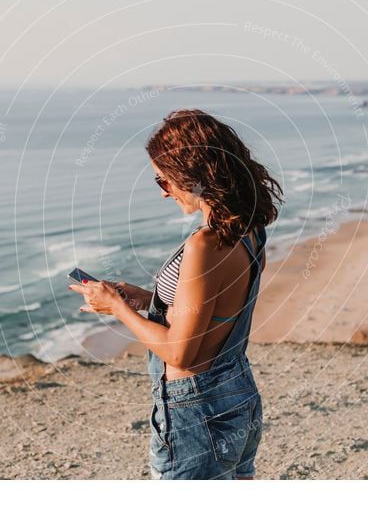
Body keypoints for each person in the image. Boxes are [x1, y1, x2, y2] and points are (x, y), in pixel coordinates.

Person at [68, 108, 284, 479]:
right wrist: (148, 299)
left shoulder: (206, 244)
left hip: (195, 409)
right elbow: (218, 305)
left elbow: (181, 352)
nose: (165, 192)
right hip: (237, 392)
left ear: (193, 176)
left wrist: (118, 307)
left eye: (163, 180)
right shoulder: (250, 231)